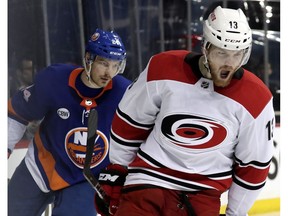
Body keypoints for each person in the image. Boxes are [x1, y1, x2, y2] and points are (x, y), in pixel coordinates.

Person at [94, 6, 275, 216]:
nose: (229, 63)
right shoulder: (163, 68)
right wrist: (119, 170)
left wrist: (235, 213)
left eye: (237, 54)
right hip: (147, 180)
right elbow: (129, 123)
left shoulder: (257, 98)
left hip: (203, 195)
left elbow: (254, 165)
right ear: (205, 47)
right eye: (221, 53)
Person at [8, 28, 131, 216]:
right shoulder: (55, 80)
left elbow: (140, 135)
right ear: (88, 59)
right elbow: (17, 112)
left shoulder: (125, 93)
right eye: (104, 63)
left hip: (86, 178)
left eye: (116, 65)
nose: (109, 72)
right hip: (41, 166)